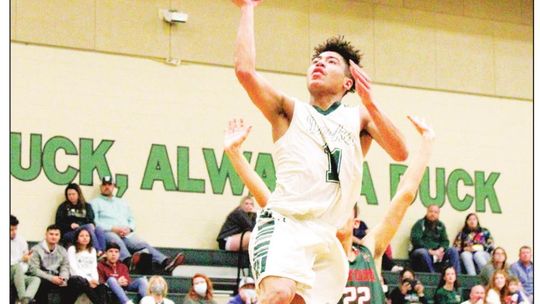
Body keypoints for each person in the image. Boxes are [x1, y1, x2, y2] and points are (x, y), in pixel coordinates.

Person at [232, 0, 408, 301]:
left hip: (325, 237)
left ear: (348, 82)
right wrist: (247, 8)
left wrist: (372, 102)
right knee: (278, 292)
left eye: (330, 61)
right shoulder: (288, 110)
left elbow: (401, 152)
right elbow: (245, 72)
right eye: (316, 60)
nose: (319, 63)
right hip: (284, 225)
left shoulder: (360, 118)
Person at [222, 115, 433, 304]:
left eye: (344, 207)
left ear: (356, 222)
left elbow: (405, 194)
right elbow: (270, 204)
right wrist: (235, 154)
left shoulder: (369, 249)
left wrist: (427, 142)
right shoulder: (308, 244)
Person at [91, 176, 184, 273]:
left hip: (125, 233)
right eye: (104, 185)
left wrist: (129, 229)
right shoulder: (94, 203)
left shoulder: (122, 203)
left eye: (109, 184)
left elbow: (132, 220)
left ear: (114, 186)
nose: (107, 187)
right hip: (108, 232)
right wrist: (113, 229)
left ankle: (166, 262)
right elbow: (95, 222)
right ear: (101, 187)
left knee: (141, 243)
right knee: (116, 239)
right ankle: (128, 261)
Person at [55, 182, 107, 256]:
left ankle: (102, 252)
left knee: (99, 229)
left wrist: (81, 225)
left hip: (85, 230)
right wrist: (70, 225)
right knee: (88, 227)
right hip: (70, 232)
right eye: (69, 194)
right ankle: (97, 251)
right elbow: (58, 223)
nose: (71, 196)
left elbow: (91, 221)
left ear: (78, 194)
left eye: (73, 194)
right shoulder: (63, 207)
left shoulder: (86, 206)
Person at [409, 205, 461, 273]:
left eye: (435, 212)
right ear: (427, 212)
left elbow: (445, 241)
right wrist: (430, 251)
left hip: (437, 252)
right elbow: (416, 240)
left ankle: (455, 275)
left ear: (438, 214)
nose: (433, 214)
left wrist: (441, 249)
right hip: (421, 251)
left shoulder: (441, 225)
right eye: (431, 211)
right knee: (423, 252)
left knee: (453, 251)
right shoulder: (419, 224)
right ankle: (433, 275)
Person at [28, 224, 70, 304]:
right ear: (46, 235)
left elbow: (65, 266)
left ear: (59, 236)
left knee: (73, 282)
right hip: (43, 277)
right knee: (40, 282)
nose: (54, 237)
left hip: (57, 277)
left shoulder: (62, 250)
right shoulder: (36, 249)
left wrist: (63, 278)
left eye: (56, 234)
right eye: (51, 234)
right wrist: (51, 278)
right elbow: (34, 270)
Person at [65, 228, 108, 303]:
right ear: (76, 239)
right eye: (81, 236)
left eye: (87, 236)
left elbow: (94, 268)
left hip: (90, 280)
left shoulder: (92, 250)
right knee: (81, 281)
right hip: (77, 279)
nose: (85, 238)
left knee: (102, 286)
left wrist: (95, 280)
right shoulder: (72, 249)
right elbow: (73, 268)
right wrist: (88, 281)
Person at [10, 215, 40, 304]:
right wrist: (21, 259)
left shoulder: (21, 239)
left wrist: (27, 260)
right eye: (11, 230)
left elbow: (25, 259)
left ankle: (26, 300)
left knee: (36, 279)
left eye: (15, 229)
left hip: (19, 274)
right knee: (16, 266)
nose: (14, 232)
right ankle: (23, 298)